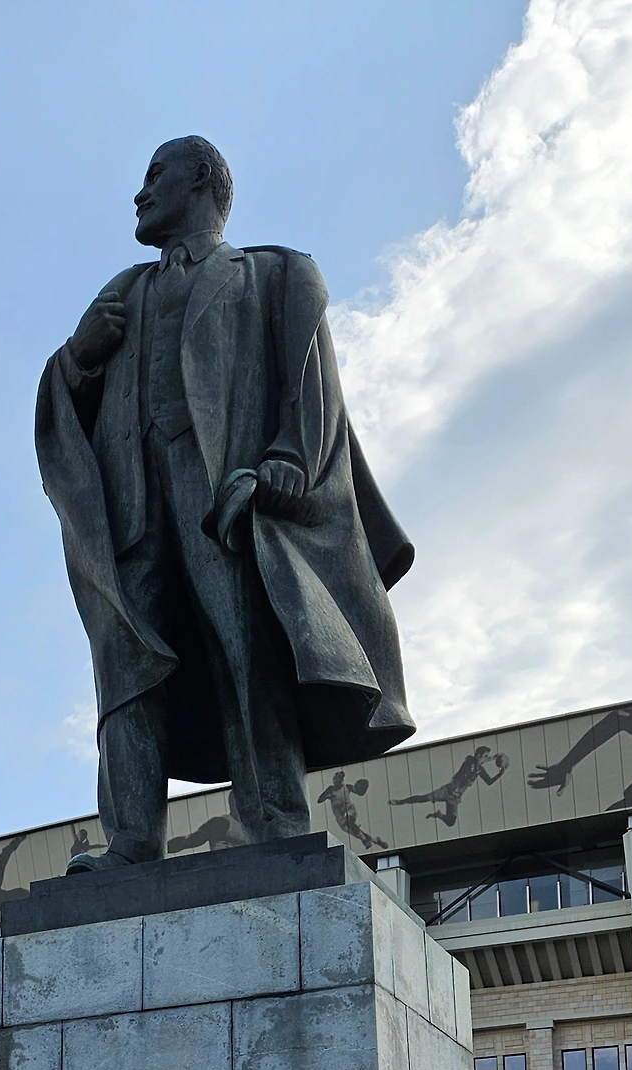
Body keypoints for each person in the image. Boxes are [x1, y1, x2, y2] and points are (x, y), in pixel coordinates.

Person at [36, 135, 414, 871]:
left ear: (202, 180)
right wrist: (78, 356)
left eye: (155, 175)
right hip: (134, 505)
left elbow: (313, 392)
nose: (140, 193)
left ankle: (274, 822)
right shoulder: (124, 294)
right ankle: (131, 840)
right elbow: (65, 405)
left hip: (222, 497)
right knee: (125, 664)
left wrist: (286, 461)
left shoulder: (272, 275)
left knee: (245, 650)